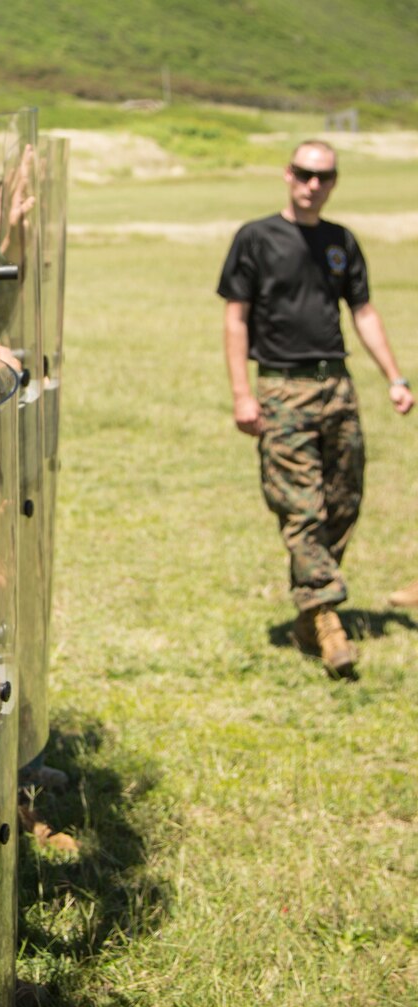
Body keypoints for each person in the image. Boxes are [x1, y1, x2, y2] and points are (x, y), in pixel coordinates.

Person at [219, 138, 413, 675]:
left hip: (338, 389)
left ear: (333, 183)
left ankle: (309, 611)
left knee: (343, 502)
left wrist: (394, 377)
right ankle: (327, 618)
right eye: (305, 173)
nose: (313, 185)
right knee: (300, 509)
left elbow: (364, 313)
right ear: (287, 174)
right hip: (282, 390)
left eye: (324, 177)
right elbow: (236, 318)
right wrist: (242, 393)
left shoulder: (340, 242)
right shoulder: (255, 238)